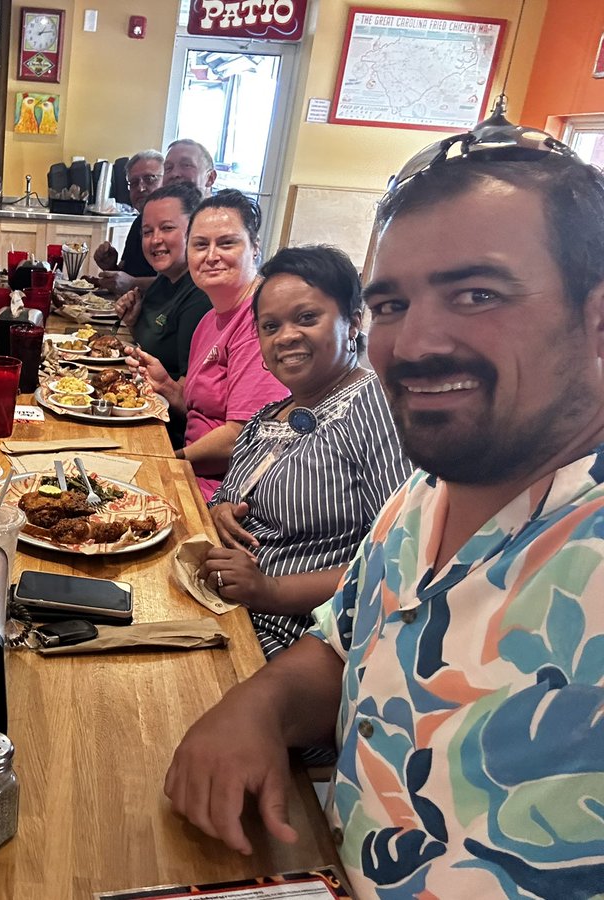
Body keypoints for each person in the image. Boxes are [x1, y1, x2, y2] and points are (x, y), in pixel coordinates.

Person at [164, 127, 604, 895]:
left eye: (478, 294)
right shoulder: (422, 496)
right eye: (393, 303)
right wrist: (261, 705)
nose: (416, 342)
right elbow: (341, 645)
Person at [202, 245, 412, 662]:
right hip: (224, 605)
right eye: (270, 326)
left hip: (290, 638)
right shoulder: (270, 414)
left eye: (307, 318)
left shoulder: (375, 406)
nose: (285, 337)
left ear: (353, 323)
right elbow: (228, 494)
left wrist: (271, 590)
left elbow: (399, 559)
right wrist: (220, 509)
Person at [129, 190, 287, 498]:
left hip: (225, 493)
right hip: (191, 474)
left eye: (226, 243)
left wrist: (167, 461)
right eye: (200, 245)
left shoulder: (259, 322)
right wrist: (167, 387)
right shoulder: (209, 319)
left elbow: (243, 438)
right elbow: (199, 411)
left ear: (255, 247)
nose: (211, 256)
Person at [114, 181, 211, 381]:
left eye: (167, 228)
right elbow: (152, 348)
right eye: (147, 232)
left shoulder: (200, 296)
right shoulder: (164, 280)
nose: (155, 239)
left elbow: (190, 390)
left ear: (195, 231)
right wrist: (132, 322)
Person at [92, 149, 163, 288]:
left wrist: (132, 283)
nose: (141, 188)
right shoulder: (138, 223)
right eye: (134, 183)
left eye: (149, 179)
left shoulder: (180, 226)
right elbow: (128, 278)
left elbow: (177, 285)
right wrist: (111, 267)